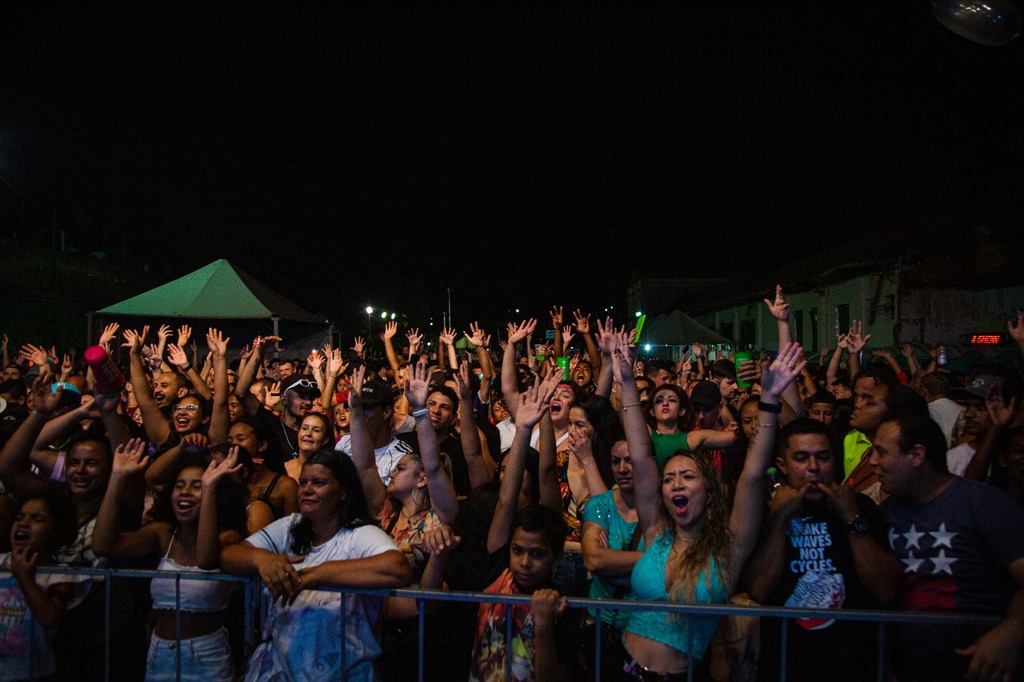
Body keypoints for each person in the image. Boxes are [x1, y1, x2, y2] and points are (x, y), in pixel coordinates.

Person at [618, 334, 805, 678]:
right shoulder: (657, 531)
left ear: (709, 490)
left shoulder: (727, 547)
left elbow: (751, 475)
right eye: (670, 478)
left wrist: (769, 399)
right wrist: (627, 381)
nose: (676, 483)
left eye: (687, 477)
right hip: (624, 665)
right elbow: (643, 459)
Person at [220, 448, 411, 681]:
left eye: (318, 483)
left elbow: (397, 568)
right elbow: (228, 556)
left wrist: (318, 574)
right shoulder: (291, 527)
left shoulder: (359, 533)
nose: (307, 490)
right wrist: (262, 559)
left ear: (343, 492)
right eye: (303, 483)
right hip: (280, 668)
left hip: (343, 671)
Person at [870, 411, 1024, 681]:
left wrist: (1013, 629)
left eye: (881, 452)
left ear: (917, 455)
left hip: (981, 669)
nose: (873, 462)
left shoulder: (984, 505)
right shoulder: (887, 513)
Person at [745, 418, 900, 681]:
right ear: (782, 465)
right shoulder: (765, 511)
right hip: (786, 665)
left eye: (823, 457)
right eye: (802, 458)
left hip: (851, 666)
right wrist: (780, 519)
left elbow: (885, 590)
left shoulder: (860, 507)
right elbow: (759, 590)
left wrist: (851, 518)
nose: (814, 468)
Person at [92, 439, 247, 682]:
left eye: (196, 486)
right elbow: (103, 546)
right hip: (160, 652)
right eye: (179, 486)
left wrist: (209, 488)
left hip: (205, 656)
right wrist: (117, 478)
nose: (185, 492)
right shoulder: (163, 533)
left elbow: (205, 558)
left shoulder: (228, 537)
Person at [0, 492, 86, 681]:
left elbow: (49, 617)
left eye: (36, 519)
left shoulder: (60, 574)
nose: (23, 523)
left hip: (35, 673)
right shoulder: (1, 562)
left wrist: (24, 577)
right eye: (19, 517)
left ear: (56, 531)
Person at [284, 411, 333, 481]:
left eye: (316, 430)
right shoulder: (283, 467)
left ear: (325, 440)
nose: (308, 433)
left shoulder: (330, 473)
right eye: (304, 428)